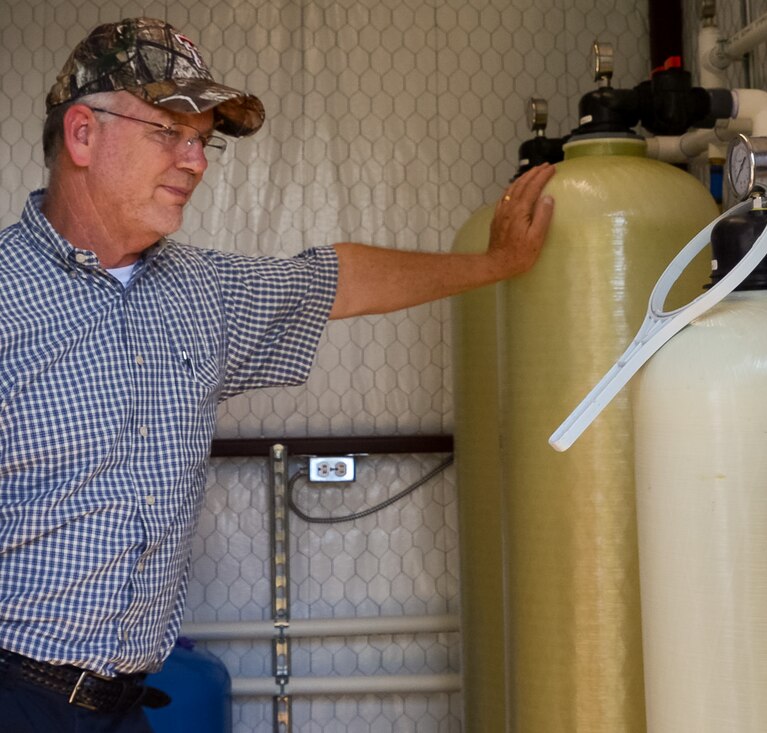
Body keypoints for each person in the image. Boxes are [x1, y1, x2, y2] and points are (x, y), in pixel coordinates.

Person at [0, 17, 555, 732]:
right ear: (82, 135)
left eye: (204, 140)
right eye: (169, 132)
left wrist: (493, 265)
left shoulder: (201, 292)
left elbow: (339, 277)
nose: (194, 161)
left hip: (122, 707)